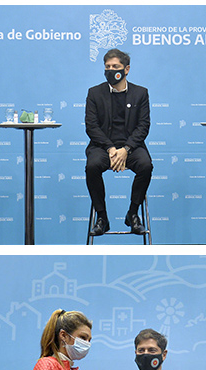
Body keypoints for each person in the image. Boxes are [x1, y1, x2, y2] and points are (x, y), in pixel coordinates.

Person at [85, 48, 153, 237]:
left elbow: (143, 126)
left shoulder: (140, 93)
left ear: (126, 69)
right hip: (103, 147)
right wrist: (111, 148)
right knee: (92, 166)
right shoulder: (94, 93)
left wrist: (126, 149)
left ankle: (132, 214)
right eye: (107, 66)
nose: (110, 70)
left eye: (115, 66)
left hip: (132, 147)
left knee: (146, 165)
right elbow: (92, 127)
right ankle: (102, 217)